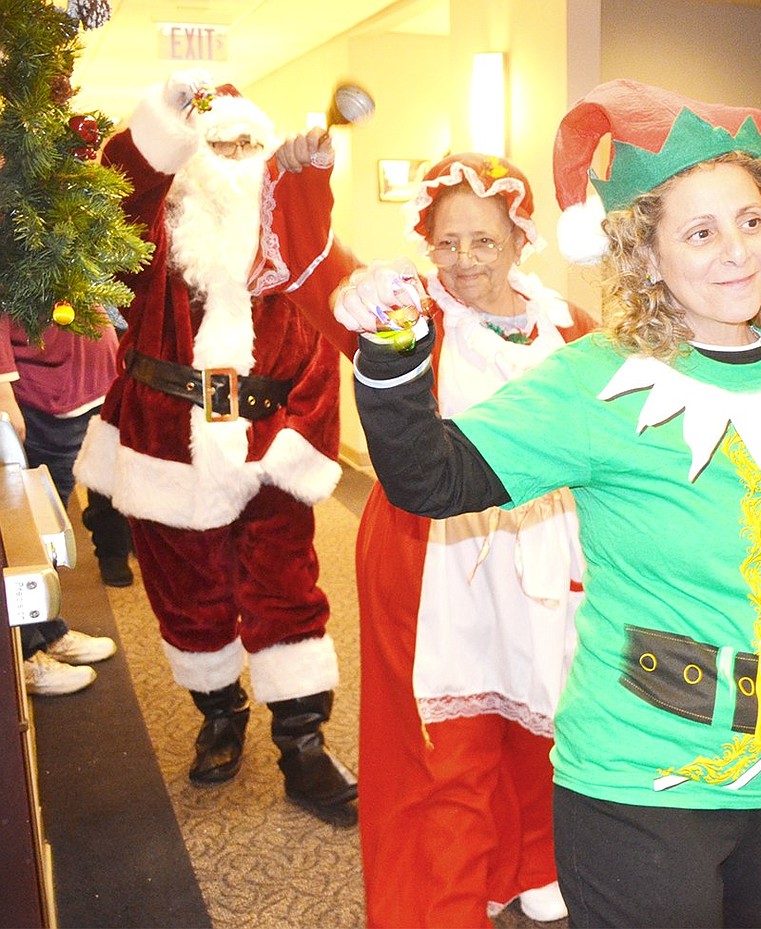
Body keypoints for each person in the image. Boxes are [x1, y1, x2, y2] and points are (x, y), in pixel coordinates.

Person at [333, 80, 761, 928]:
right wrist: (395, 346)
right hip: (638, 779)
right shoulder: (598, 380)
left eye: (750, 221)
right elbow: (429, 480)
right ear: (647, 252)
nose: (737, 252)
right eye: (700, 232)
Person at [74, 70, 359, 820]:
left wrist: (294, 450)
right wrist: (165, 119)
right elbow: (120, 188)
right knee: (187, 600)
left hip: (270, 453)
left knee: (287, 597)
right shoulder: (150, 245)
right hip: (163, 450)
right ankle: (219, 717)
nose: (229, 157)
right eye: (215, 144)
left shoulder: (294, 251)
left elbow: (322, 357)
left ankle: (303, 746)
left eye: (245, 144)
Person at [334, 153, 593, 928]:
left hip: (545, 547)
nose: (465, 262)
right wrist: (373, 314)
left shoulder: (569, 325)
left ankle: (530, 862)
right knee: (443, 741)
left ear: (520, 238)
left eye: (483, 242)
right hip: (431, 556)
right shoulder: (416, 319)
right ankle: (439, 904)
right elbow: (364, 342)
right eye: (447, 243)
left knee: (545, 711)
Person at [0, 314, 120, 696]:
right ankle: (25, 653)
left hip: (75, 391)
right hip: (38, 395)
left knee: (50, 519)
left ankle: (48, 631)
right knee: (29, 531)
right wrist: (2, 391)